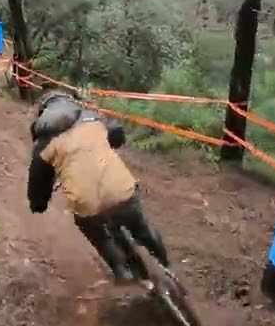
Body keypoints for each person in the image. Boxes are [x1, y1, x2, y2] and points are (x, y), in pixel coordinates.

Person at [27, 90, 172, 283]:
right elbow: (118, 135)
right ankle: (167, 268)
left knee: (95, 231)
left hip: (87, 203)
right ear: (70, 104)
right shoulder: (92, 118)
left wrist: (39, 204)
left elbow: (38, 183)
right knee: (142, 229)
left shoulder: (43, 143)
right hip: (122, 191)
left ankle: (121, 270)